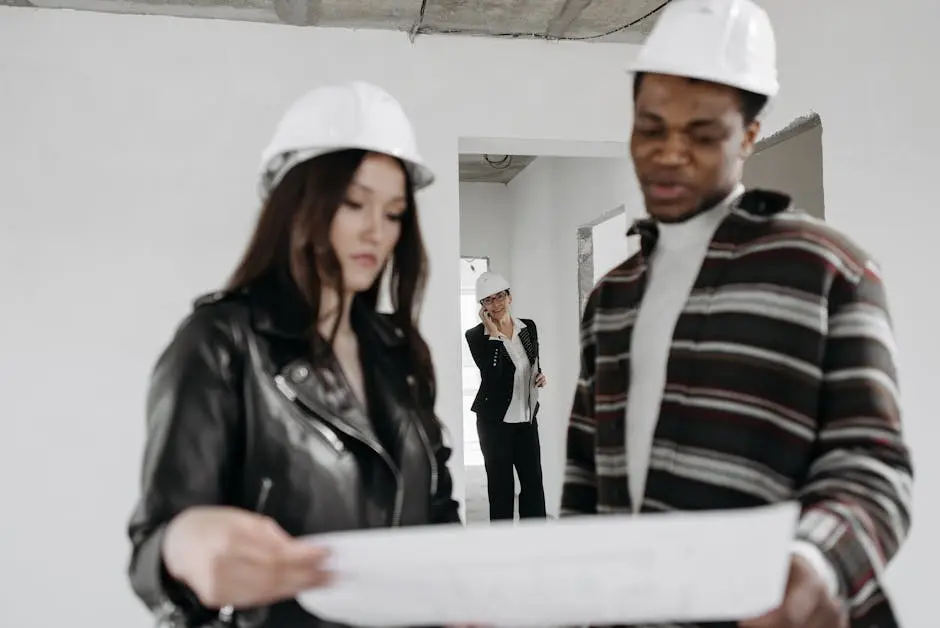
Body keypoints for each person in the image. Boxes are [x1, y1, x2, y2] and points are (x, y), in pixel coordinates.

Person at [560, 1, 912, 627]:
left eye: (702, 135)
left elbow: (870, 469)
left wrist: (812, 566)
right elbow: (586, 481)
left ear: (749, 136)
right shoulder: (612, 300)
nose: (669, 154)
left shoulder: (829, 271)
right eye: (650, 128)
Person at [125, 81, 462, 628]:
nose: (377, 231)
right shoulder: (219, 342)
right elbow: (154, 548)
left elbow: (438, 508)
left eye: (395, 213)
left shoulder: (397, 352)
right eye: (354, 203)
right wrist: (182, 546)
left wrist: (465, 591)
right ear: (298, 204)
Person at [465, 271, 547, 521]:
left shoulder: (527, 327)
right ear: (482, 306)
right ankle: (502, 545)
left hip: (526, 418)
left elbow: (531, 362)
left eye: (500, 296)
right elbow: (492, 377)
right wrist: (494, 335)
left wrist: (540, 376)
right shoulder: (476, 336)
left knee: (533, 484)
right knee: (501, 487)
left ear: (510, 297)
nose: (496, 304)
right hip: (495, 423)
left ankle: (536, 541)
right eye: (488, 300)